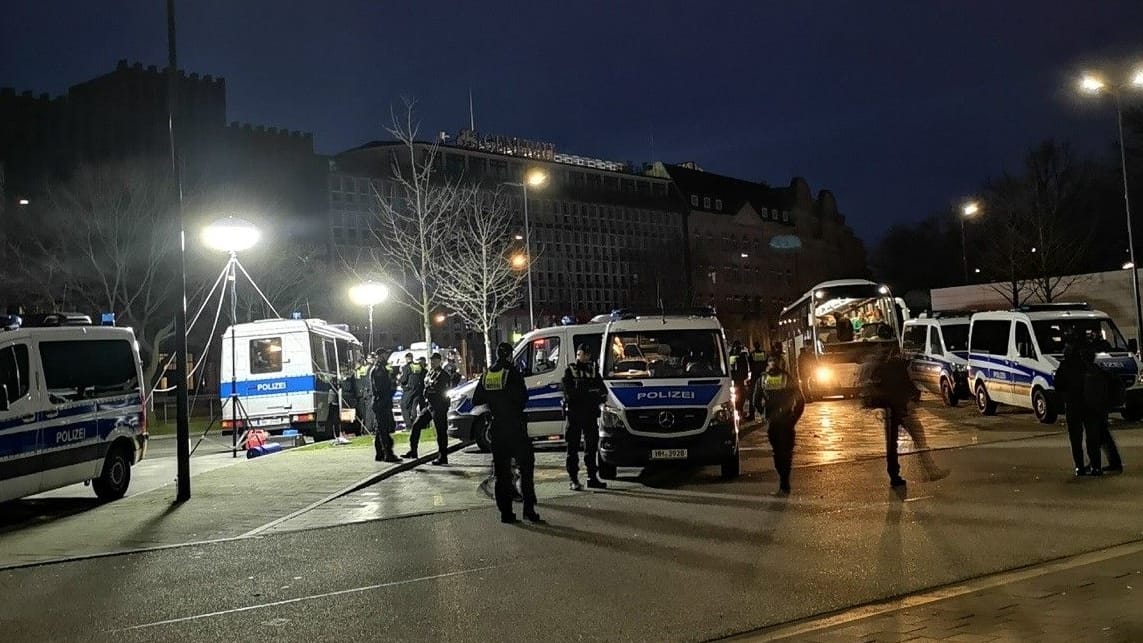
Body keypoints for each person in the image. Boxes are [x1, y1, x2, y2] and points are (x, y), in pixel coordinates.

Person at [473, 342, 539, 524]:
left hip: (497, 428)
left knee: (502, 474)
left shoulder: (488, 374)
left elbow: (476, 399)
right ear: (510, 355)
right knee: (526, 468)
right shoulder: (512, 372)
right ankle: (529, 510)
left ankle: (506, 514)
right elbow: (522, 398)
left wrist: (493, 402)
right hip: (515, 428)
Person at [868, 341, 946, 487]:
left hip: (894, 410)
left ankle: (900, 474)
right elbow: (908, 385)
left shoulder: (886, 367)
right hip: (899, 409)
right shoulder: (896, 366)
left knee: (895, 444)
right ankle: (928, 470)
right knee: (915, 440)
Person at [562, 344, 607, 491]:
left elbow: (603, 392)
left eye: (588, 354)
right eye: (584, 354)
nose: (587, 357)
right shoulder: (570, 371)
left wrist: (585, 393)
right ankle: (573, 479)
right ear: (578, 354)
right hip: (575, 415)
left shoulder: (593, 371)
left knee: (591, 448)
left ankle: (592, 477)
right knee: (573, 449)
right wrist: (589, 393)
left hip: (589, 415)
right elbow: (569, 394)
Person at [761, 355, 805, 493]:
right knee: (786, 452)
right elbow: (800, 401)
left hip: (774, 421)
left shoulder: (763, 379)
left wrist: (764, 415)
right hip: (787, 420)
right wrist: (794, 418)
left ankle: (783, 481)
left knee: (777, 452)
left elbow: (755, 398)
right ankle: (784, 481)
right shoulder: (787, 378)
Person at [408, 353, 452, 465]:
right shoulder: (430, 372)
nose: (432, 363)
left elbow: (441, 390)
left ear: (439, 361)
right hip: (430, 405)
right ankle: (413, 451)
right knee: (416, 425)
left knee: (441, 432)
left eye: (435, 361)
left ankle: (443, 457)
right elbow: (426, 386)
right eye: (431, 361)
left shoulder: (443, 375)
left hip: (439, 406)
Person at [371, 357, 400, 463]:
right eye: (383, 355)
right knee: (383, 429)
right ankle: (387, 454)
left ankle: (380, 454)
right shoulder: (379, 370)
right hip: (381, 403)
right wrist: (391, 385)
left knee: (381, 429)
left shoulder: (382, 369)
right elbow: (381, 388)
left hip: (382, 402)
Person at [398, 352, 425, 455]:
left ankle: (409, 425)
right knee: (414, 408)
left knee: (404, 406)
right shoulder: (417, 366)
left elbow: (404, 379)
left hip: (409, 390)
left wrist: (399, 379)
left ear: (406, 358)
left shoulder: (406, 367)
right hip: (418, 390)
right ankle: (414, 423)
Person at [729, 340, 750, 420]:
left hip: (734, 380)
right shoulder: (742, 357)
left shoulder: (730, 356)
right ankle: (738, 410)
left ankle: (737, 411)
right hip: (739, 380)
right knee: (740, 396)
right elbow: (745, 368)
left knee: (738, 396)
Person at [747, 342, 768, 421]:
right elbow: (767, 364)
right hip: (763, 376)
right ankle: (767, 413)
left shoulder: (752, 355)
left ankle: (752, 415)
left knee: (752, 396)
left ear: (754, 346)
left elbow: (750, 365)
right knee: (766, 395)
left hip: (755, 377)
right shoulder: (764, 354)